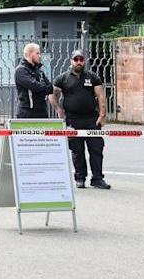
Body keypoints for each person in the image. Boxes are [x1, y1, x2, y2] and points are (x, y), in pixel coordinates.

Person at [50, 50, 110, 189]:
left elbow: (101, 96)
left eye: (81, 59)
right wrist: (58, 109)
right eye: (75, 59)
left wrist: (102, 114)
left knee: (96, 149)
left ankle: (97, 179)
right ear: (71, 61)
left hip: (92, 120)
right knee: (77, 151)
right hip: (73, 120)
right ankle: (80, 178)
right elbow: (52, 95)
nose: (78, 62)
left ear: (84, 61)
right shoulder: (63, 78)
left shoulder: (92, 77)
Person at [14, 43, 52, 118]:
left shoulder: (39, 71)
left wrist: (43, 87)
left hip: (42, 112)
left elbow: (50, 88)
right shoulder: (21, 70)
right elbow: (35, 86)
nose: (40, 56)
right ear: (29, 54)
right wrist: (43, 87)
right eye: (37, 53)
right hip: (27, 112)